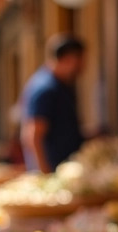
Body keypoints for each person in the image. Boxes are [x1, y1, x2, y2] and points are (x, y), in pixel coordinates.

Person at [20, 34, 86, 172]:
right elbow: (33, 135)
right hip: (53, 170)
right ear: (69, 58)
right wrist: (46, 175)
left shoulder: (60, 85)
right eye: (81, 61)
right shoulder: (46, 88)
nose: (84, 66)